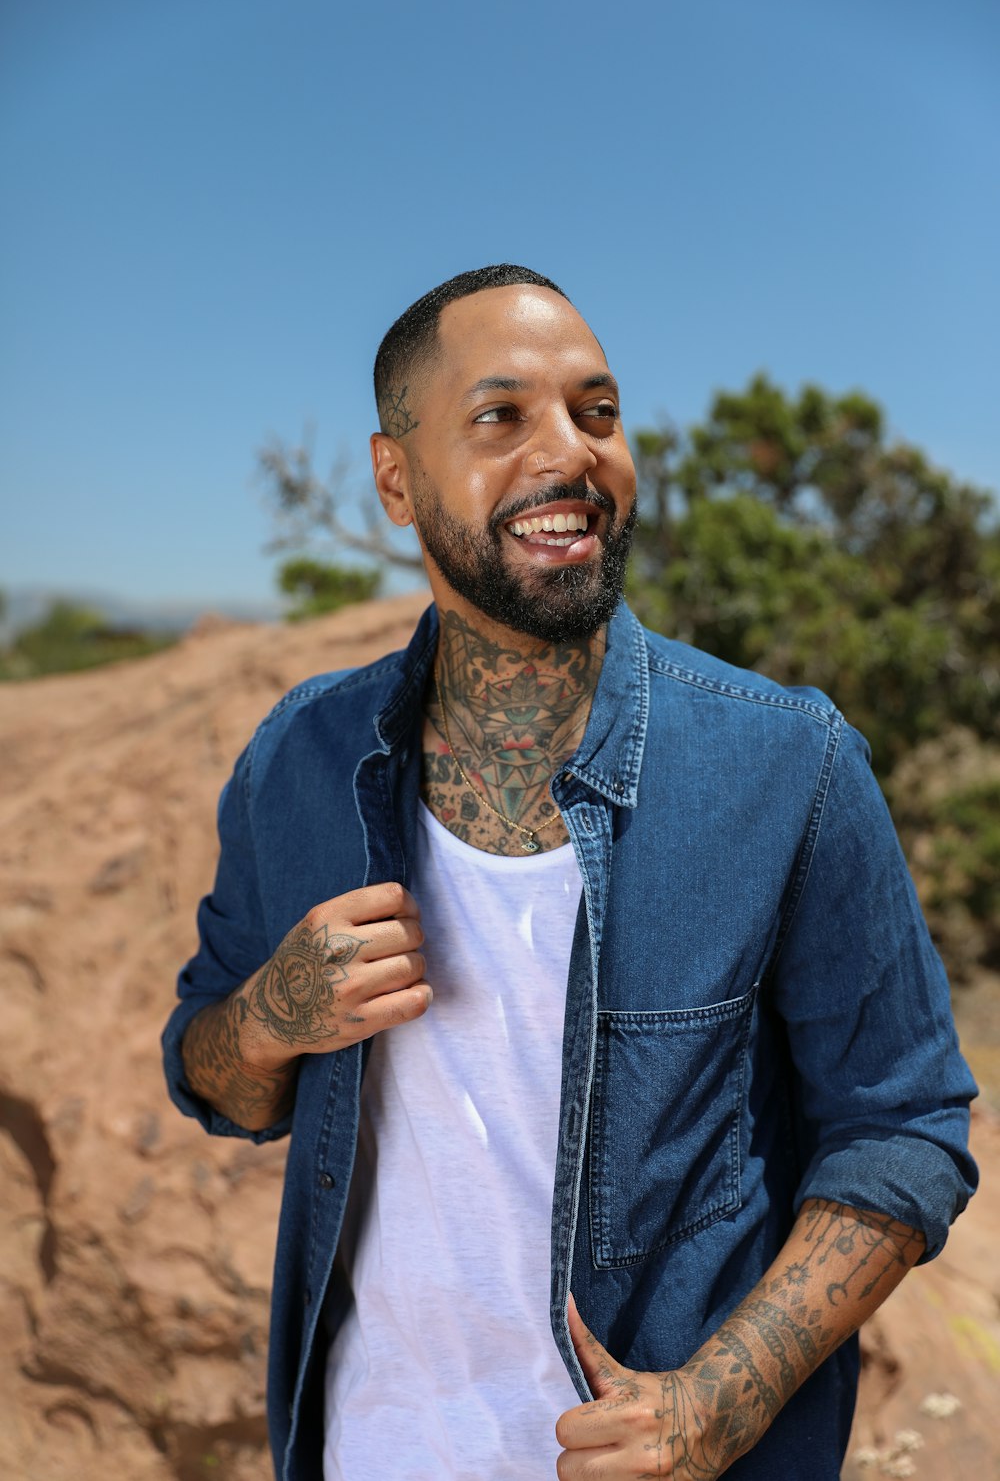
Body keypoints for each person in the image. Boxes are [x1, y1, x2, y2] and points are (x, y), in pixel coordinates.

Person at [163, 265, 978, 1481]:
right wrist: (271, 1018)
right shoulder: (300, 760)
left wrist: (720, 1398)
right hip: (365, 1449)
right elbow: (211, 1074)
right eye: (501, 417)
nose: (571, 452)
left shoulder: (786, 763)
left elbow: (905, 1126)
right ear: (396, 478)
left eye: (596, 413)